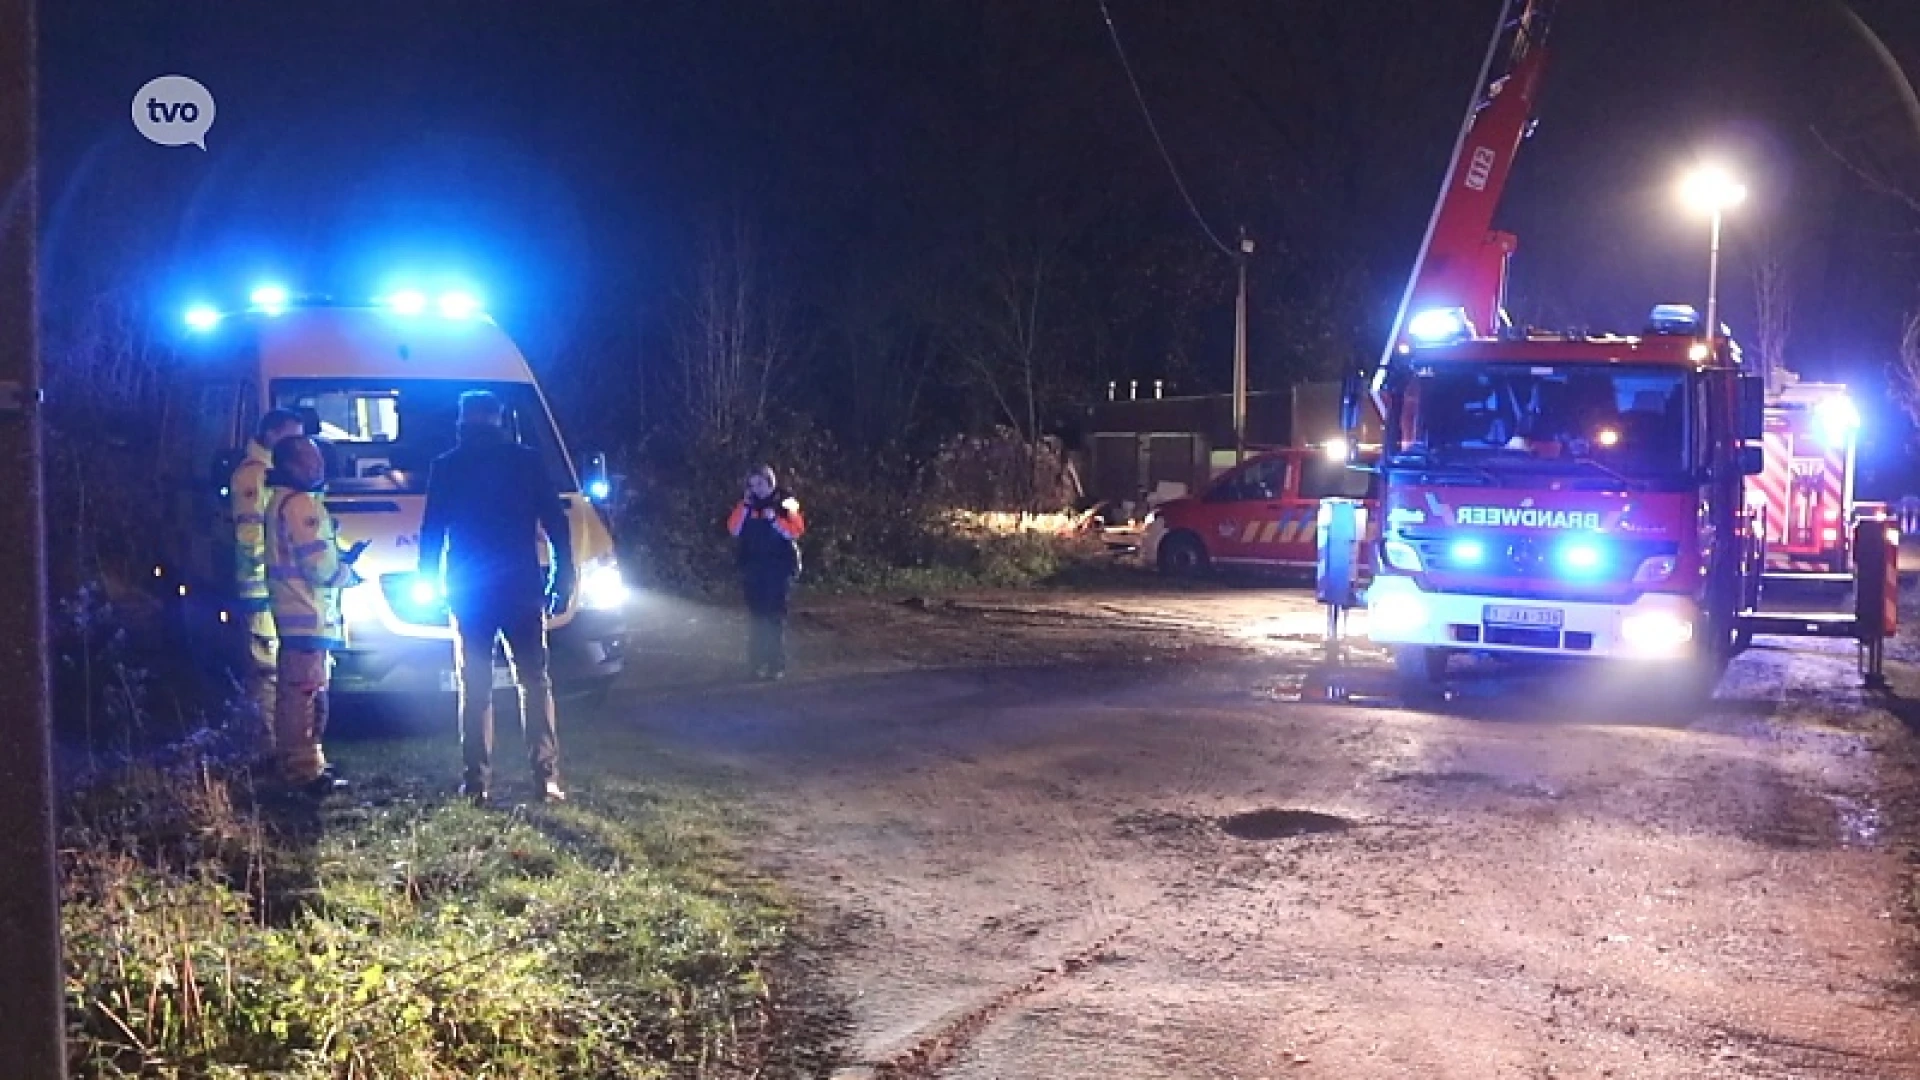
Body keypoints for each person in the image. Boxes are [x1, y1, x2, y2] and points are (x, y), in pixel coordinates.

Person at [417, 391, 576, 806]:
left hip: (469, 592)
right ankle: (546, 778)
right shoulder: (526, 461)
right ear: (500, 418)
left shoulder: (447, 466)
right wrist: (563, 576)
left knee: (476, 686)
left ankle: (476, 782)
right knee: (535, 681)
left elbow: (431, 533)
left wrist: (429, 585)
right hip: (521, 587)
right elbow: (557, 525)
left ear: (463, 420)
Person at [264, 435, 365, 795]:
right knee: (304, 697)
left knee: (300, 693)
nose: (319, 466)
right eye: (311, 460)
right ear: (291, 464)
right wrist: (348, 575)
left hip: (295, 613)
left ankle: (304, 763)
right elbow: (318, 566)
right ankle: (302, 771)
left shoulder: (281, 501)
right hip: (306, 613)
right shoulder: (301, 504)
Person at [230, 409, 305, 752]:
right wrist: (259, 587)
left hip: (274, 590)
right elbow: (250, 539)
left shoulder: (271, 473)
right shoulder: (254, 476)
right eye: (291, 437)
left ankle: (283, 749)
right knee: (267, 673)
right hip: (260, 590)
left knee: (281, 674)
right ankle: (269, 750)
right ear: (272, 434)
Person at [727, 465, 805, 680]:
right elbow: (734, 530)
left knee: (774, 618)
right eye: (752, 485)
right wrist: (744, 506)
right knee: (757, 618)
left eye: (760, 484)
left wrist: (774, 519)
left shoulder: (787, 501)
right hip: (754, 570)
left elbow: (796, 531)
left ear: (770, 482)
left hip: (779, 570)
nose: (756, 489)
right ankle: (756, 664)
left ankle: (775, 664)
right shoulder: (746, 505)